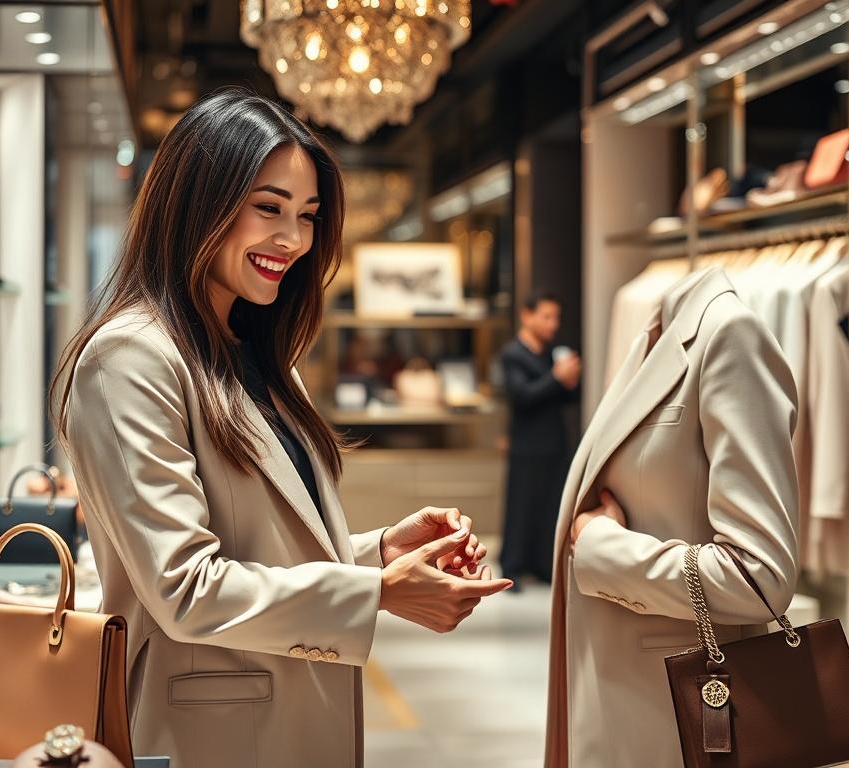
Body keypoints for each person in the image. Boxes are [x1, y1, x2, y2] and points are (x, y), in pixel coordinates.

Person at [51, 88, 513, 767]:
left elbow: (262, 550)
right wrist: (378, 592)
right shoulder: (129, 358)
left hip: (289, 712)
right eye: (268, 208)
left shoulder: (262, 358)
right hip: (205, 732)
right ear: (197, 202)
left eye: (307, 216)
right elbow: (186, 588)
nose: (293, 241)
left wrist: (381, 551)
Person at [545, 268, 799, 767]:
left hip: (679, 708)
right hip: (624, 686)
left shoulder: (730, 334)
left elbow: (761, 578)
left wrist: (599, 546)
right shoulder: (663, 324)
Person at [499, 292, 580, 584]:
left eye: (556, 317)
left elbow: (566, 398)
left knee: (549, 506)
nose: (553, 324)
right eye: (546, 316)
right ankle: (512, 567)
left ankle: (542, 565)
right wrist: (557, 378)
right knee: (520, 506)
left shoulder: (550, 353)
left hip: (554, 441)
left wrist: (569, 382)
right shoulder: (513, 354)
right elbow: (521, 397)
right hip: (526, 443)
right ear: (527, 316)